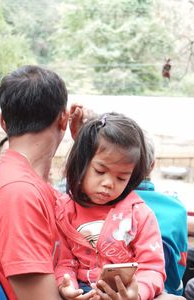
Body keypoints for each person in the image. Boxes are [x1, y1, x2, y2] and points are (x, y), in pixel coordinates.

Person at [0, 65, 88, 300]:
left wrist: (86, 146)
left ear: (3, 121)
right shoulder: (18, 194)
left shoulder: (33, 189)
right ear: (63, 120)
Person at [55, 112, 168, 300]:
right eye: (100, 171)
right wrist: (66, 286)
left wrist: (137, 293)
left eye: (122, 178)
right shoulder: (64, 210)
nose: (109, 183)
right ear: (81, 163)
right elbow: (64, 261)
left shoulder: (139, 214)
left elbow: (152, 268)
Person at [135, 134, 188, 296]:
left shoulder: (101, 205)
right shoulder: (177, 208)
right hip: (165, 290)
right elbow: (179, 267)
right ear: (152, 166)